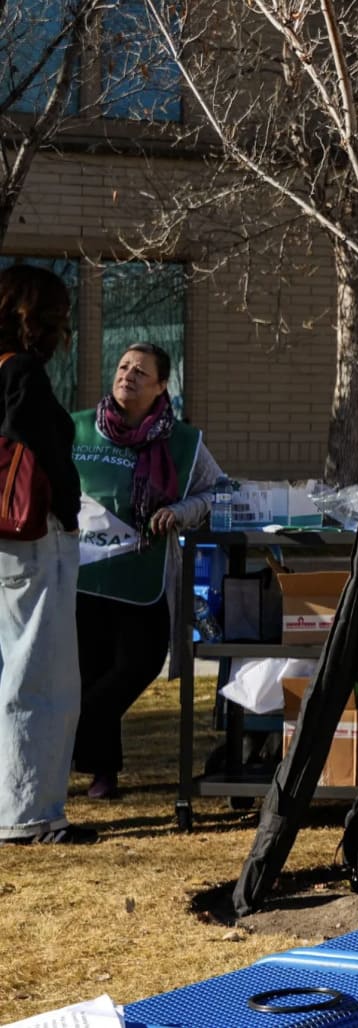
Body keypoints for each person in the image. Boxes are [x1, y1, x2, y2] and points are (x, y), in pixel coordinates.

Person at [71, 343, 224, 800]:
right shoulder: (77, 429)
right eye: (122, 367)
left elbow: (219, 491)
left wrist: (181, 510)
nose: (127, 376)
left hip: (146, 575)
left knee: (138, 663)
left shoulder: (182, 442)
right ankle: (104, 773)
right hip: (83, 575)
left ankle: (74, 729)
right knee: (92, 669)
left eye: (140, 371)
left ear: (161, 386)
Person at [0, 265, 95, 845]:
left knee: (11, 669)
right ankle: (30, 814)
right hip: (34, 538)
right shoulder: (24, 376)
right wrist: (70, 503)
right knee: (43, 676)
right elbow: (42, 455)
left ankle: (14, 806)